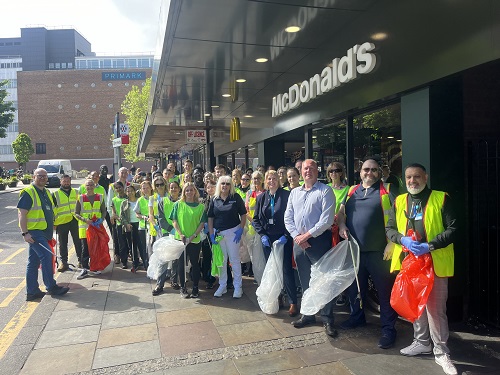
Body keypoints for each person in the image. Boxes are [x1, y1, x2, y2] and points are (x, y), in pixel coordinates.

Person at [385, 163, 457, 375]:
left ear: (425, 177)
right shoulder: (399, 201)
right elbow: (389, 229)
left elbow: (454, 228)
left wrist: (430, 245)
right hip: (410, 263)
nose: (412, 181)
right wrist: (402, 240)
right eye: (408, 177)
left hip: (434, 261)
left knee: (435, 311)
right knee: (415, 306)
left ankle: (442, 352)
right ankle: (422, 341)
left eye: (417, 176)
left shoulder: (441, 197)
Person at [337, 158, 398, 349]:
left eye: (373, 170)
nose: (369, 173)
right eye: (366, 170)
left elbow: (399, 217)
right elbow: (341, 213)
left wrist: (393, 243)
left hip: (380, 253)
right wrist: (341, 225)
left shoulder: (387, 190)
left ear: (379, 172)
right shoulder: (351, 191)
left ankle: (389, 329)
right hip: (356, 252)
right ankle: (357, 318)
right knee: (356, 289)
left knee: (384, 293)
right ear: (360, 171)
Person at [284, 159, 336, 337]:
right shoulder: (294, 193)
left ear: (317, 171)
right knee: (305, 281)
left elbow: (327, 220)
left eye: (312, 168)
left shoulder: (325, 191)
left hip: (319, 241)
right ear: (301, 171)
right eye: (305, 168)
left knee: (323, 281)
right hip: (299, 243)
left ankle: (327, 318)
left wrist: (307, 236)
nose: (308, 171)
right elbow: (288, 218)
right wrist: (297, 237)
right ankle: (308, 315)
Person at [18, 168, 70, 301]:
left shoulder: (46, 192)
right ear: (33, 177)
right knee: (47, 257)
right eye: (39, 176)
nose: (42, 178)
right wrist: (25, 233)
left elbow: (50, 210)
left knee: (33, 262)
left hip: (44, 232)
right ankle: (51, 287)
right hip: (35, 232)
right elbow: (22, 213)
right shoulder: (28, 192)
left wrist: (53, 224)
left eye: (44, 176)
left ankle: (32, 292)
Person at [253, 170, 298, 317]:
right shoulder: (261, 198)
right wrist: (262, 235)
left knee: (285, 269)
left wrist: (286, 236)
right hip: (268, 239)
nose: (271, 181)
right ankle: (277, 297)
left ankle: (292, 302)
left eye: (274, 178)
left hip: (283, 238)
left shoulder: (285, 195)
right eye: (269, 179)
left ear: (278, 180)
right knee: (272, 269)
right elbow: (256, 219)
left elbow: (292, 217)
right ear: (265, 181)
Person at [207, 175, 247, 298]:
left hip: (233, 233)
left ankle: (237, 287)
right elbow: (210, 217)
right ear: (219, 185)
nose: (225, 186)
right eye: (223, 183)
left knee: (234, 260)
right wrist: (211, 234)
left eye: (227, 184)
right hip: (219, 234)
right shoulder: (214, 199)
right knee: (221, 262)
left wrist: (240, 229)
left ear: (231, 185)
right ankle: (222, 285)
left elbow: (243, 214)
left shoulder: (236, 197)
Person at [171, 182, 207, 298]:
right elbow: (174, 221)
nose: (189, 192)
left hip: (194, 241)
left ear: (195, 192)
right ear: (184, 192)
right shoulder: (178, 204)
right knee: (181, 264)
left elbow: (202, 224)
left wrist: (194, 236)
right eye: (187, 190)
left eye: (191, 190)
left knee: (195, 264)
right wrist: (181, 234)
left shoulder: (201, 207)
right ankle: (183, 287)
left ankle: (195, 288)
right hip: (181, 240)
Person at [326, 162, 350, 306]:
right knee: (328, 263)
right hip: (325, 230)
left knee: (340, 263)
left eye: (337, 171)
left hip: (339, 229)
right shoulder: (325, 188)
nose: (334, 173)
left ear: (341, 173)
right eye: (331, 171)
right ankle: (330, 291)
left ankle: (341, 293)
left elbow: (343, 209)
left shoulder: (348, 189)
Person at [152, 180, 181, 295]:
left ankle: (174, 281)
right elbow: (161, 219)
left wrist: (178, 231)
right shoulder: (162, 202)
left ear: (179, 189)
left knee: (176, 259)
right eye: (171, 188)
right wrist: (171, 230)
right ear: (168, 189)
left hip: (179, 234)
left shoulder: (181, 202)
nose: (173, 189)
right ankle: (160, 284)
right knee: (163, 259)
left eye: (175, 187)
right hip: (166, 234)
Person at [74, 178, 107, 279]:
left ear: (94, 186)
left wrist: (101, 219)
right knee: (85, 248)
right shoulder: (81, 198)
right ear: (84, 187)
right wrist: (85, 220)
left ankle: (95, 267)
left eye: (91, 185)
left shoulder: (100, 197)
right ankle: (85, 268)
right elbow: (76, 213)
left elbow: (103, 211)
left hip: (96, 227)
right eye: (87, 185)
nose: (89, 187)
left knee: (96, 247)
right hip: (85, 228)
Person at [52, 174, 80, 271]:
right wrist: (54, 223)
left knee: (78, 241)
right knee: (63, 244)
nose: (66, 183)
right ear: (61, 182)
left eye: (68, 181)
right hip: (62, 222)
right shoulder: (55, 194)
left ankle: (81, 261)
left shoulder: (76, 192)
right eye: (64, 181)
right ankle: (64, 263)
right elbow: (53, 210)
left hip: (75, 220)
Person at [107, 167, 129, 264]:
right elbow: (109, 202)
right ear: (118, 174)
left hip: (127, 216)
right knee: (116, 236)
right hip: (116, 216)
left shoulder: (129, 184)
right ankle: (117, 255)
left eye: (125, 173)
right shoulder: (112, 186)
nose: (124, 174)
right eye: (122, 173)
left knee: (126, 236)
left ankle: (126, 254)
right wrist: (112, 215)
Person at [120, 184, 143, 272]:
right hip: (130, 225)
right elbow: (122, 216)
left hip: (140, 224)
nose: (130, 193)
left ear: (135, 191)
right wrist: (126, 224)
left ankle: (144, 261)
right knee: (132, 245)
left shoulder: (139, 200)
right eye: (128, 191)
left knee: (141, 245)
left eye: (131, 191)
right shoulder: (124, 203)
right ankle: (135, 262)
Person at [110, 181, 130, 269]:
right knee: (121, 243)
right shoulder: (114, 199)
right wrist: (118, 218)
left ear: (123, 187)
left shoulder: (128, 197)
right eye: (116, 188)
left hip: (129, 224)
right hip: (119, 224)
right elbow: (114, 212)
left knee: (129, 242)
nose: (118, 189)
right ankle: (124, 261)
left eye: (120, 187)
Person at [134, 180, 153, 268]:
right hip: (143, 227)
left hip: (154, 226)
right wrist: (143, 217)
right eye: (143, 188)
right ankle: (146, 265)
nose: (145, 190)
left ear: (151, 188)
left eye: (147, 188)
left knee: (152, 247)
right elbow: (137, 213)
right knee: (144, 247)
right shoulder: (140, 200)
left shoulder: (154, 198)